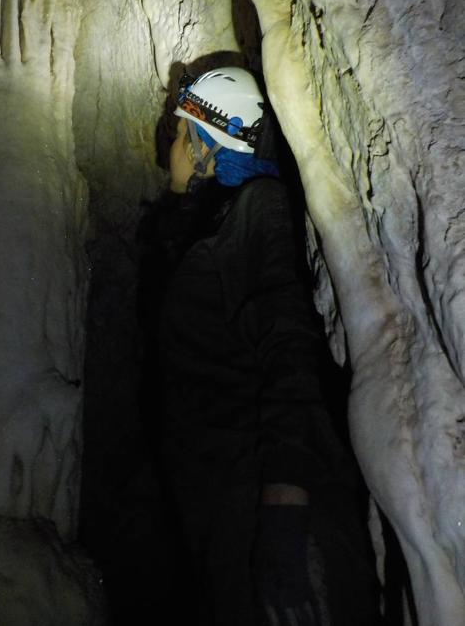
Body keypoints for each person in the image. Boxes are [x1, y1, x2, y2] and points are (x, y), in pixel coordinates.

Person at [143, 65, 379, 626]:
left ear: (209, 146)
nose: (169, 151)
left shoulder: (260, 209)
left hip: (268, 506)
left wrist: (285, 494)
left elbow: (288, 340)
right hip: (226, 508)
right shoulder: (223, 223)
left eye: (180, 136)